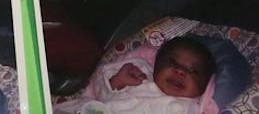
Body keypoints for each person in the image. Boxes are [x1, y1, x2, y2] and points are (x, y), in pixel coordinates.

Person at [60, 34, 217, 112]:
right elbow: (99, 93)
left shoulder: (190, 107)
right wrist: (117, 81)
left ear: (204, 86)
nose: (180, 71)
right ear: (157, 65)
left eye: (194, 71)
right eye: (172, 62)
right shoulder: (140, 74)